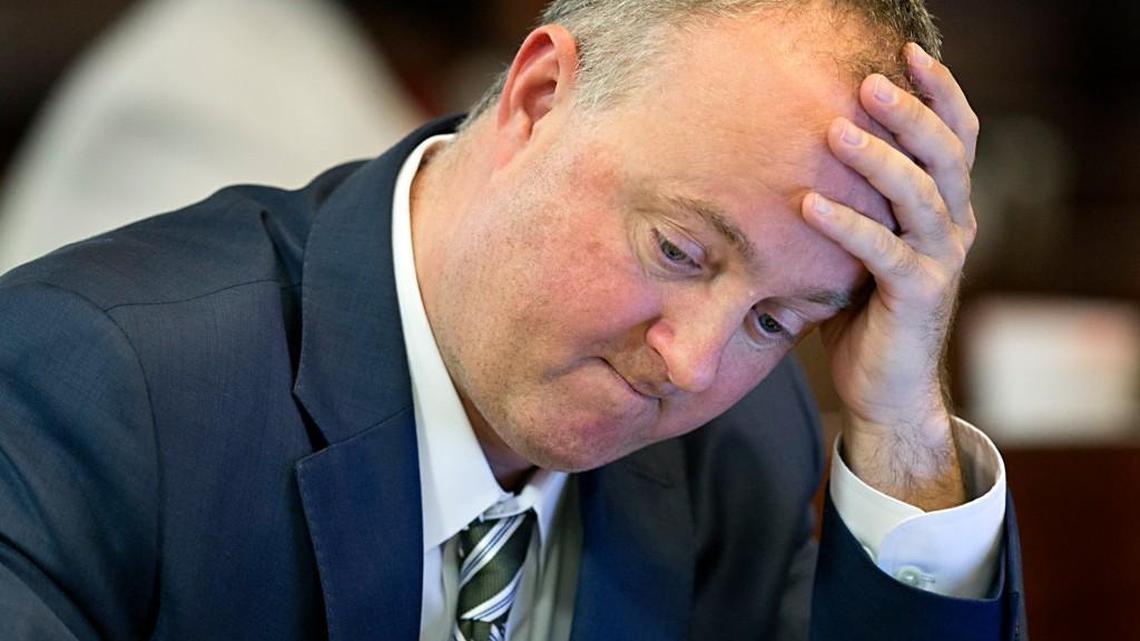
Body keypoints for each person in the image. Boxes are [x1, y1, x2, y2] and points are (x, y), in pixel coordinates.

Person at [0, 1, 1025, 640]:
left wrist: (902, 427)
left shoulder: (741, 445)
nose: (693, 364)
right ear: (537, 97)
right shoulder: (90, 383)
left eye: (775, 321)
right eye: (677, 250)